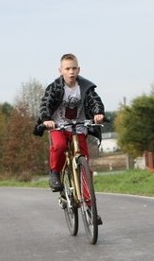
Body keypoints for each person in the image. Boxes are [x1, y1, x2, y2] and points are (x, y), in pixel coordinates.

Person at [34, 53, 106, 193]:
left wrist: (98, 113)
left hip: (79, 127)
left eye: (74, 68)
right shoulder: (54, 87)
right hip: (58, 126)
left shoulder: (85, 87)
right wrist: (46, 119)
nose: (71, 72)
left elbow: (95, 101)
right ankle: (55, 173)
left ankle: (88, 203)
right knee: (60, 146)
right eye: (67, 69)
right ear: (60, 70)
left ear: (78, 69)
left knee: (84, 159)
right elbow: (45, 104)